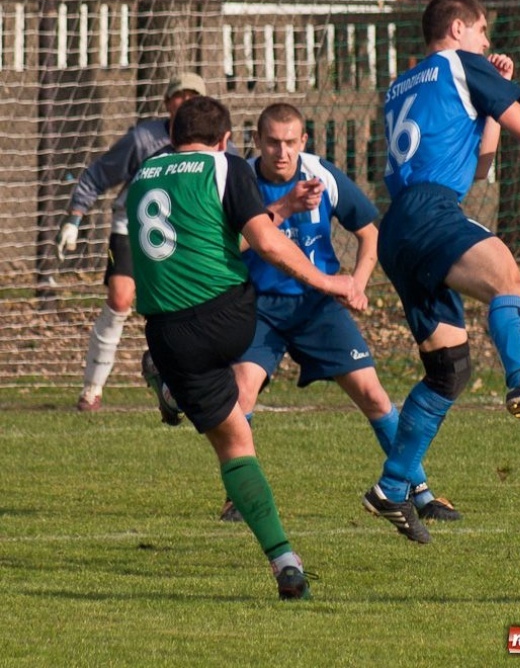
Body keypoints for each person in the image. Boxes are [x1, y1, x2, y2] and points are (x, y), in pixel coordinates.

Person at [363, 0, 520, 544]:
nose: (488, 42)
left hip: (399, 226)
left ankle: (391, 488)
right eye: (482, 30)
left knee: (448, 371)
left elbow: (474, 170)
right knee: (513, 283)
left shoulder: (406, 82)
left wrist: (489, 105)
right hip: (430, 213)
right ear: (457, 28)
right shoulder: (463, 65)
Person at [126, 95, 362, 600]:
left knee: (233, 445)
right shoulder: (225, 166)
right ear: (227, 139)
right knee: (238, 431)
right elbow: (268, 243)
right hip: (228, 318)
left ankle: (285, 561)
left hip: (167, 332)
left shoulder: (143, 175)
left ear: (172, 133)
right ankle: (285, 566)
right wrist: (331, 282)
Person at [210, 102, 459, 525]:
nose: (281, 152)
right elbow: (227, 247)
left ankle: (420, 492)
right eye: (272, 142)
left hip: (317, 308)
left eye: (290, 142)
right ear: (257, 141)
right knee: (242, 390)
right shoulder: (240, 180)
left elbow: (370, 233)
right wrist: (285, 207)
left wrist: (358, 282)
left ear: (304, 141)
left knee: (373, 394)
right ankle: (239, 496)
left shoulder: (322, 174)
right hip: (259, 308)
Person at [55, 72, 207, 412]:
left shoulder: (213, 145)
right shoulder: (143, 139)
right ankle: (92, 390)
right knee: (121, 298)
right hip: (131, 226)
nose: (185, 103)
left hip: (183, 234)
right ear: (167, 103)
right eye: (178, 96)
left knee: (184, 307)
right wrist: (75, 219)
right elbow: (98, 174)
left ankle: (175, 380)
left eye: (193, 97)